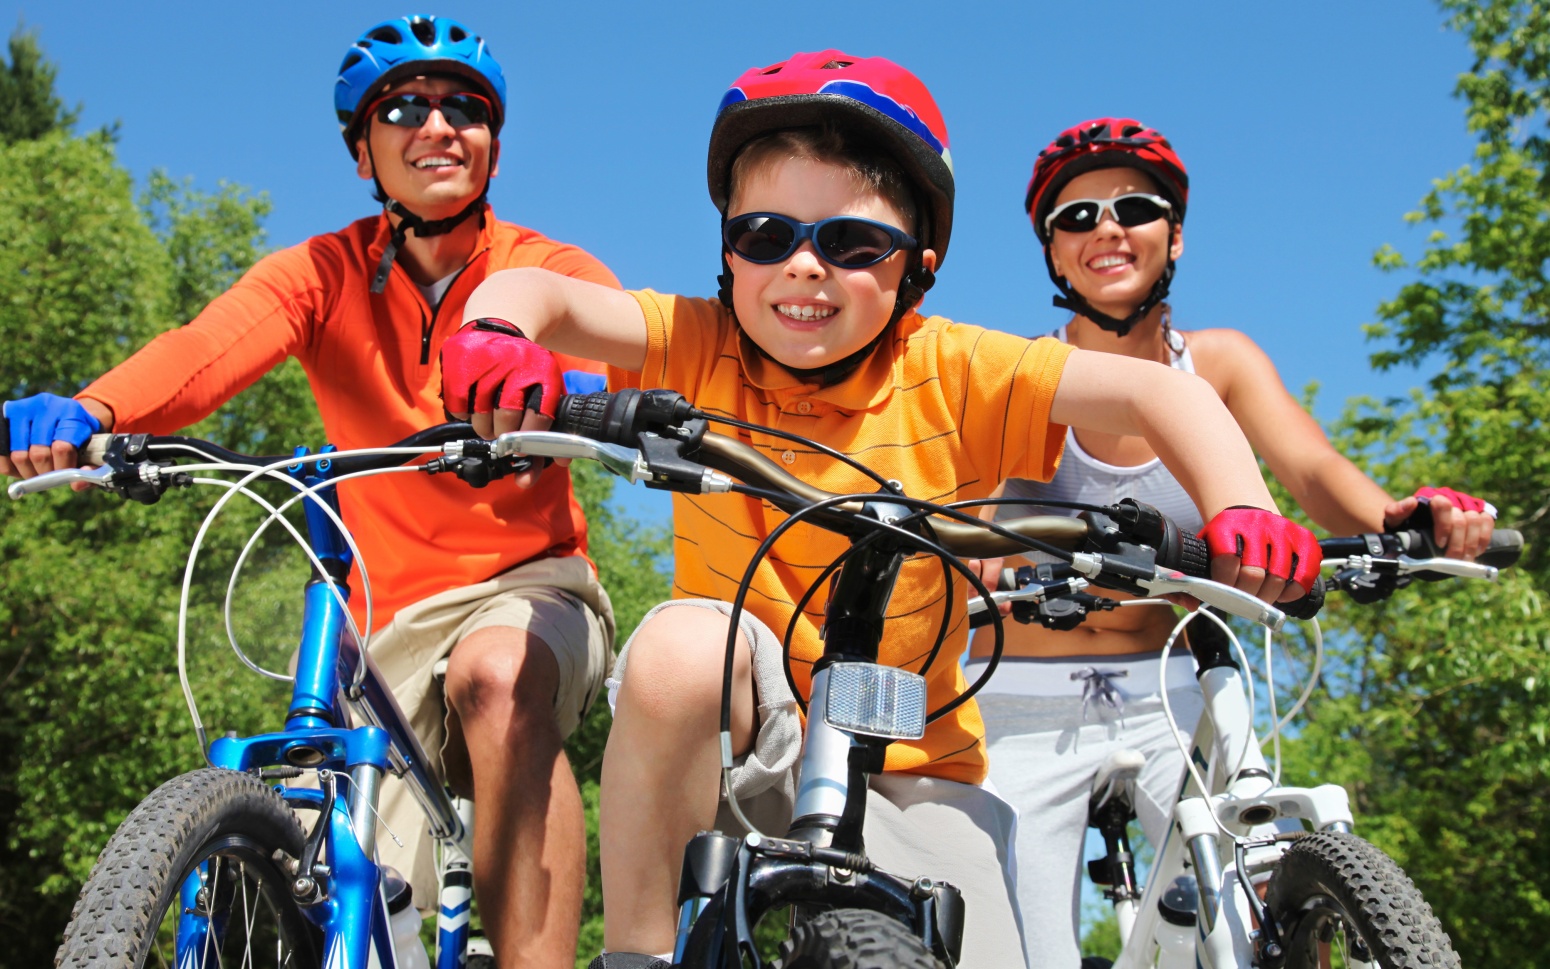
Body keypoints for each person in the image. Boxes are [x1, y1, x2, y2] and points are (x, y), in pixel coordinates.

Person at [437, 54, 1323, 969]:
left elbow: (1160, 396)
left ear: (918, 268)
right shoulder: (696, 341)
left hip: (916, 767)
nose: (804, 267)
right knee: (676, 649)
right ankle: (639, 952)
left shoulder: (957, 366)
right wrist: (497, 332)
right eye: (766, 235)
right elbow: (537, 292)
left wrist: (1242, 506)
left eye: (853, 245)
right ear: (728, 252)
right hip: (748, 741)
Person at [1, 16, 619, 967]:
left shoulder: (543, 268)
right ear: (363, 150)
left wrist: (558, 388)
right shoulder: (324, 273)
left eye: (466, 108)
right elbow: (208, 347)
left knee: (495, 680)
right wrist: (91, 410)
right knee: (368, 905)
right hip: (384, 612)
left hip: (528, 587)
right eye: (404, 107)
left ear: (494, 140)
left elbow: (601, 363)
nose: (438, 125)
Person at [968, 116, 1498, 968]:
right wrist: (984, 545)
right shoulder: (1021, 375)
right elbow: (975, 506)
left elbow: (1313, 467)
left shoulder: (1218, 364)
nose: (1107, 227)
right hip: (1024, 697)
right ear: (1054, 254)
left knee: (1254, 904)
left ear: (1173, 235)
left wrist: (1401, 518)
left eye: (1134, 208)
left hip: (1178, 683)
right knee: (1019, 951)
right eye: (1077, 218)